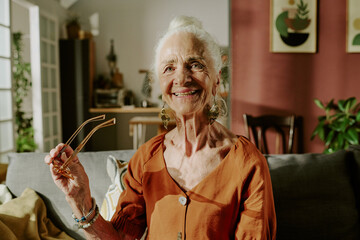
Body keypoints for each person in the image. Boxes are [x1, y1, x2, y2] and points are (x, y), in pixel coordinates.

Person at [45, 16, 276, 239]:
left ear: (216, 79)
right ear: (160, 86)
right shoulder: (146, 158)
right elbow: (120, 238)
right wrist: (79, 198)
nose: (182, 78)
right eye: (169, 68)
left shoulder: (247, 164)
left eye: (195, 64)